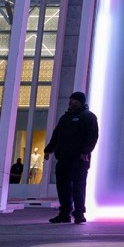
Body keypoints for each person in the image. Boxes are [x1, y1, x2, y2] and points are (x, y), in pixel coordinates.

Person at [44, 91, 98, 225]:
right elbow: (56, 135)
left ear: (80, 102)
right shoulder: (65, 118)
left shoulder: (88, 117)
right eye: (70, 99)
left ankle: (79, 214)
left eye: (74, 99)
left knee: (78, 186)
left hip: (79, 159)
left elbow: (92, 137)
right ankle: (64, 213)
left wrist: (85, 152)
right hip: (63, 158)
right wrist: (48, 150)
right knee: (62, 186)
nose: (71, 101)